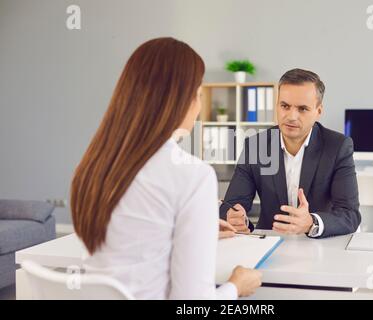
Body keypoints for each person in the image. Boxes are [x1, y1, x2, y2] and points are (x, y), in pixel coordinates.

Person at [70, 37, 262, 299]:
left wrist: (193, 233)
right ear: (180, 99)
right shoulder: (194, 175)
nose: (200, 104)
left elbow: (131, 240)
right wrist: (236, 286)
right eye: (198, 93)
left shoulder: (95, 165)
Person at [220, 68, 361, 238]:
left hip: (319, 243)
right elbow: (232, 205)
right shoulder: (256, 145)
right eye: (285, 106)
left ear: (318, 111)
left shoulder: (338, 147)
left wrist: (311, 222)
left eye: (302, 109)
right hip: (269, 241)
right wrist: (235, 218)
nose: (291, 116)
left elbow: (350, 215)